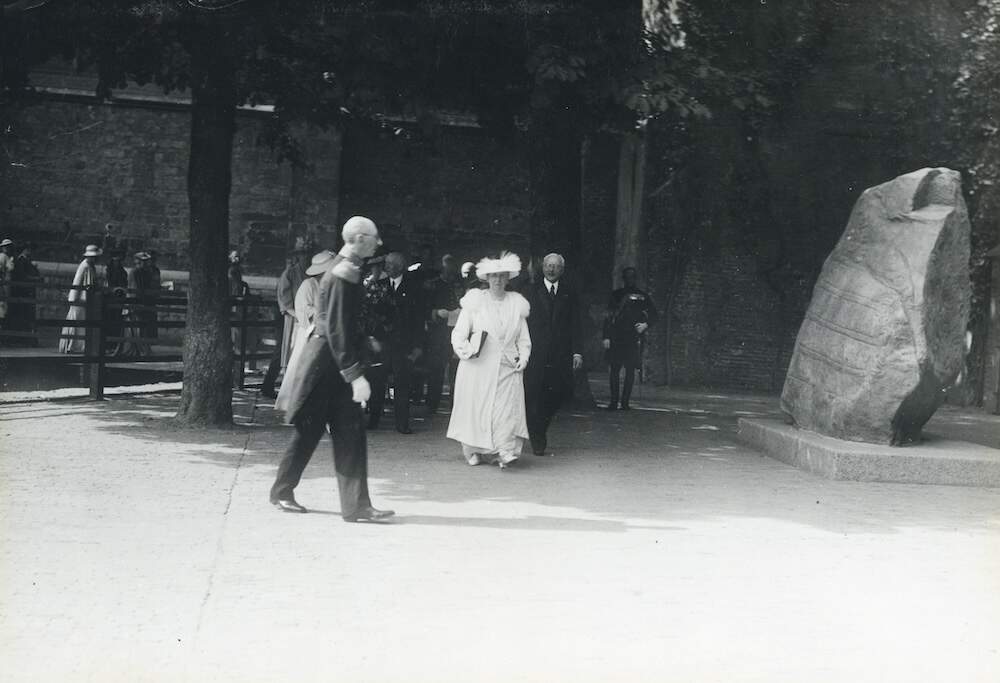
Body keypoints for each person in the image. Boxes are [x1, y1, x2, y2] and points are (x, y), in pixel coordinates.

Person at [268, 216, 394, 523]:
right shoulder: (342, 273)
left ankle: (356, 506)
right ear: (359, 239)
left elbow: (343, 326)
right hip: (325, 368)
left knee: (350, 433)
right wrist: (355, 375)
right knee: (308, 432)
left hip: (331, 364)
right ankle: (282, 492)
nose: (378, 243)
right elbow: (336, 329)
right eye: (374, 238)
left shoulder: (346, 269)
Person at [447, 252, 532, 468]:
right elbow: (459, 334)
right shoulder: (475, 301)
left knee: (505, 409)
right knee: (477, 408)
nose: (498, 281)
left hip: (507, 365)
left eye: (502, 276)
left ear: (508, 279)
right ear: (486, 278)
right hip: (478, 365)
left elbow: (523, 338)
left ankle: (503, 450)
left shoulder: (516, 303)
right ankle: (473, 450)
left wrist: (524, 357)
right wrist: (468, 352)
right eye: (493, 276)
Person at [523, 253, 584, 456]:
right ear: (543, 268)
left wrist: (577, 352)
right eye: (548, 266)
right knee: (533, 396)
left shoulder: (569, 293)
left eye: (555, 267)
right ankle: (537, 436)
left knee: (556, 395)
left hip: (560, 354)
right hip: (534, 354)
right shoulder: (530, 292)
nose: (551, 269)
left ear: (562, 270)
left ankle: (539, 428)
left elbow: (577, 324)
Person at [367, 251, 425, 434]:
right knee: (377, 382)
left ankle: (402, 424)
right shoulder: (379, 286)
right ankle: (373, 420)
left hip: (403, 345)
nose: (386, 267)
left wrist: (418, 346)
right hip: (382, 344)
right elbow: (371, 314)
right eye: (386, 264)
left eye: (390, 264)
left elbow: (418, 320)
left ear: (400, 267)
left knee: (402, 384)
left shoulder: (414, 288)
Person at [275, 250, 335, 413]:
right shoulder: (308, 285)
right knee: (303, 370)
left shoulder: (330, 286)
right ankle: (296, 405)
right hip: (309, 333)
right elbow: (303, 309)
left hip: (326, 333)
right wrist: (320, 313)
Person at [603, 266, 658, 410]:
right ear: (623, 278)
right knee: (614, 369)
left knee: (630, 370)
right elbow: (608, 317)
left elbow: (654, 314)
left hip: (632, 338)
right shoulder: (616, 295)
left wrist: (645, 324)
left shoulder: (642, 296)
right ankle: (614, 402)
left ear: (636, 279)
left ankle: (625, 403)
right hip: (616, 337)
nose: (630, 279)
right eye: (627, 277)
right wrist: (606, 337)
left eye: (633, 277)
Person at [261, 247, 308, 397]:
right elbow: (285, 299)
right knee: (282, 350)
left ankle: (293, 388)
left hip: (301, 318)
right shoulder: (290, 273)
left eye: (308, 255)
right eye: (303, 255)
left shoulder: (309, 274)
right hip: (287, 316)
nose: (306, 258)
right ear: (298, 257)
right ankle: (268, 386)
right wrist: (297, 314)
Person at [424, 254, 464, 412]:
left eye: (453, 271)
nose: (451, 274)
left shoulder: (459, 285)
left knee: (456, 369)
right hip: (438, 333)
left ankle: (455, 404)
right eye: (448, 270)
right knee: (436, 369)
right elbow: (424, 308)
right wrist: (435, 312)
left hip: (456, 331)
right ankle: (432, 404)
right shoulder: (432, 286)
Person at [59, 244, 101, 353]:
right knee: (78, 321)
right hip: (80, 299)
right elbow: (89, 285)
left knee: (78, 321)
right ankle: (73, 346)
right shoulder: (87, 266)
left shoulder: (89, 265)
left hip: (80, 298)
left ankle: (74, 345)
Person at [8, 242, 43, 346]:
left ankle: (28, 339)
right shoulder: (20, 261)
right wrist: (36, 278)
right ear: (25, 250)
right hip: (22, 293)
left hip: (29, 293)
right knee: (24, 316)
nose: (32, 252)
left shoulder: (28, 261)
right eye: (30, 249)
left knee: (28, 316)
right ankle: (24, 340)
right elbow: (22, 277)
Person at [126, 251, 155, 356]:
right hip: (136, 302)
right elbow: (134, 289)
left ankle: (144, 348)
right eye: (144, 261)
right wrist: (137, 302)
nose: (146, 263)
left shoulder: (145, 273)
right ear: (138, 262)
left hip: (143, 301)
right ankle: (138, 349)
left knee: (143, 326)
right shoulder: (134, 273)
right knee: (136, 326)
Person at [104, 249, 129, 355]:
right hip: (109, 300)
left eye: (119, 260)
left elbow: (124, 285)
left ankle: (114, 345)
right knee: (108, 322)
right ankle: (107, 345)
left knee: (116, 323)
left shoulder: (122, 272)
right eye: (115, 259)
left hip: (118, 300)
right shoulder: (108, 270)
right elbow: (106, 284)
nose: (117, 262)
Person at [0, 238, 14, 338]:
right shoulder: (4, 257)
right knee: (3, 306)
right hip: (4, 284)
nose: (7, 248)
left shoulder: (3, 256)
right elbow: (10, 268)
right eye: (6, 247)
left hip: (4, 283)